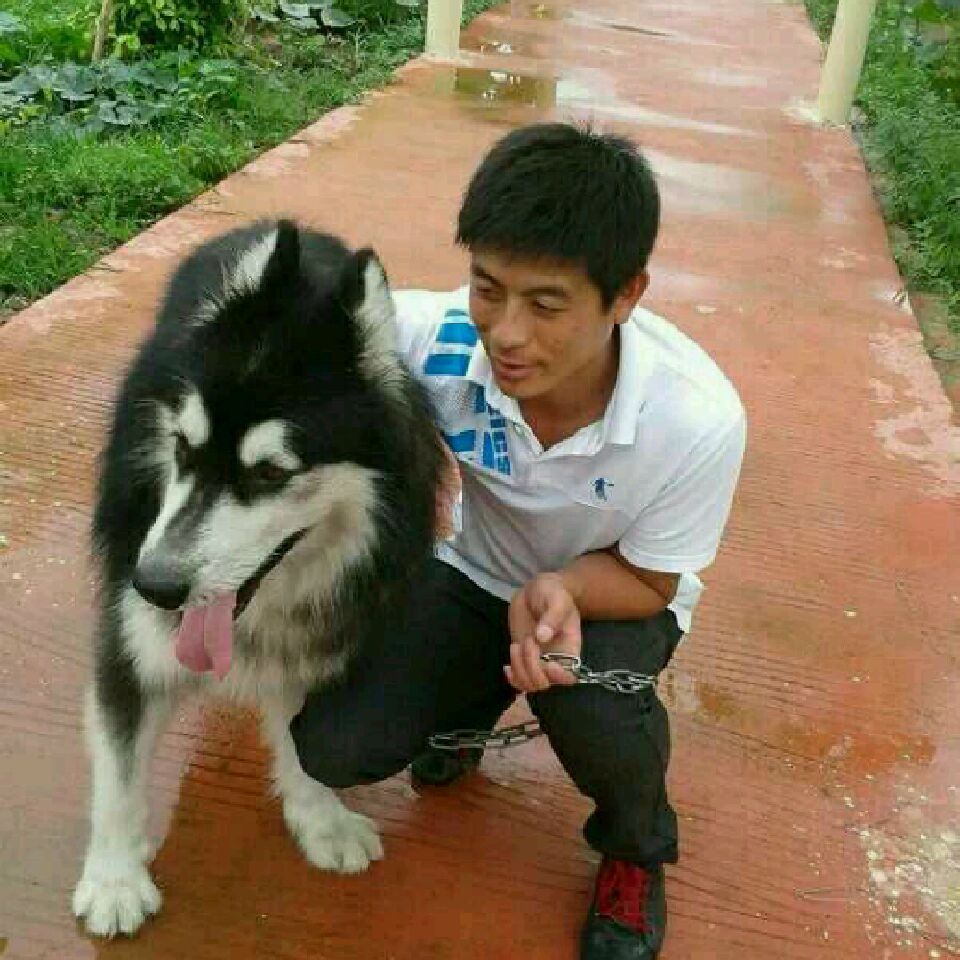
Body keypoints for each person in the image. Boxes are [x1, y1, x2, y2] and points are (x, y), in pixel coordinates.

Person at [290, 122, 746, 959]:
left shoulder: (694, 419)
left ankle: (634, 846)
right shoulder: (432, 341)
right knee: (332, 746)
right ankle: (469, 703)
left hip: (610, 599)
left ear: (626, 295)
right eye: (487, 287)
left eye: (546, 304)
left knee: (593, 709)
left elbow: (651, 581)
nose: (504, 332)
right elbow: (296, 337)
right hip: (474, 572)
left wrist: (563, 590)